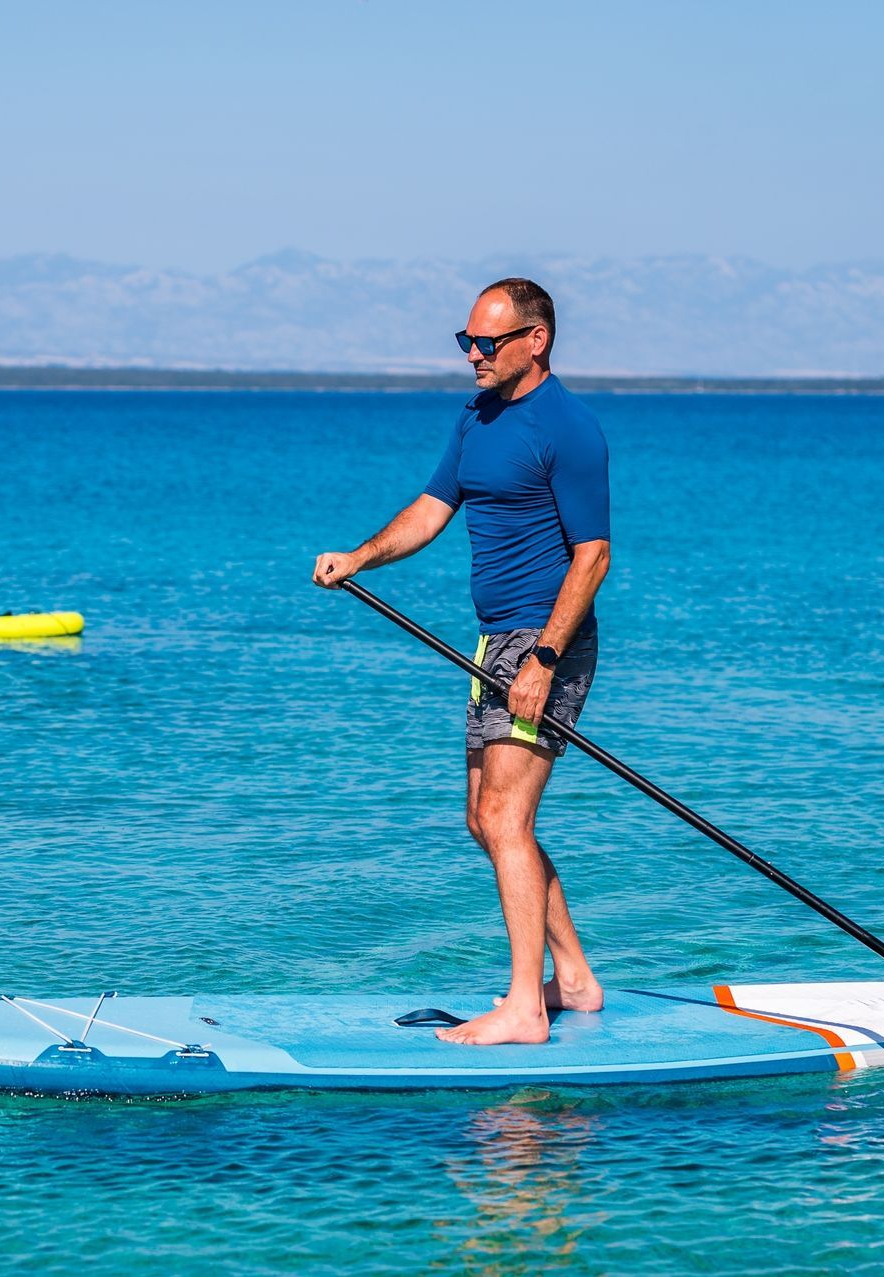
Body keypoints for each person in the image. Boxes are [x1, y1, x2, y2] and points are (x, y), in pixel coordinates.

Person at [312, 278, 611, 1046]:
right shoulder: (476, 417)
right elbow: (431, 508)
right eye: (466, 341)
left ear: (534, 340)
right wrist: (361, 557)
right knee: (483, 818)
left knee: (510, 815)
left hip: (547, 640)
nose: (473, 355)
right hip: (492, 644)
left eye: (488, 342)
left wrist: (545, 657)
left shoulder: (569, 428)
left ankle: (524, 1007)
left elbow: (593, 555)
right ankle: (572, 977)